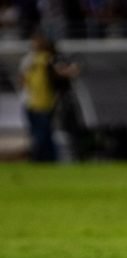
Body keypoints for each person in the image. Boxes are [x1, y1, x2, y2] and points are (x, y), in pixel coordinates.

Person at [18, 32, 77, 162]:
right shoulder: (38, 59)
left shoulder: (42, 59)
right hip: (36, 102)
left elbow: (22, 80)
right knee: (42, 133)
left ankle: (43, 158)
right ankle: (44, 158)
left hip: (41, 102)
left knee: (42, 133)